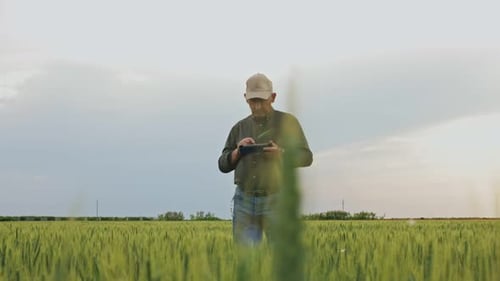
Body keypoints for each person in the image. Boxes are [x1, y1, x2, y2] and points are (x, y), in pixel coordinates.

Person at [218, 73, 313, 244]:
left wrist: (282, 153)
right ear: (245, 99)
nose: (257, 106)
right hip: (243, 201)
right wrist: (238, 152)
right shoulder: (239, 128)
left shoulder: (288, 122)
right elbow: (223, 164)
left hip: (276, 198)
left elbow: (306, 157)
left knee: (279, 260)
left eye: (261, 101)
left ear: (273, 97)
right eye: (252, 101)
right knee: (246, 263)